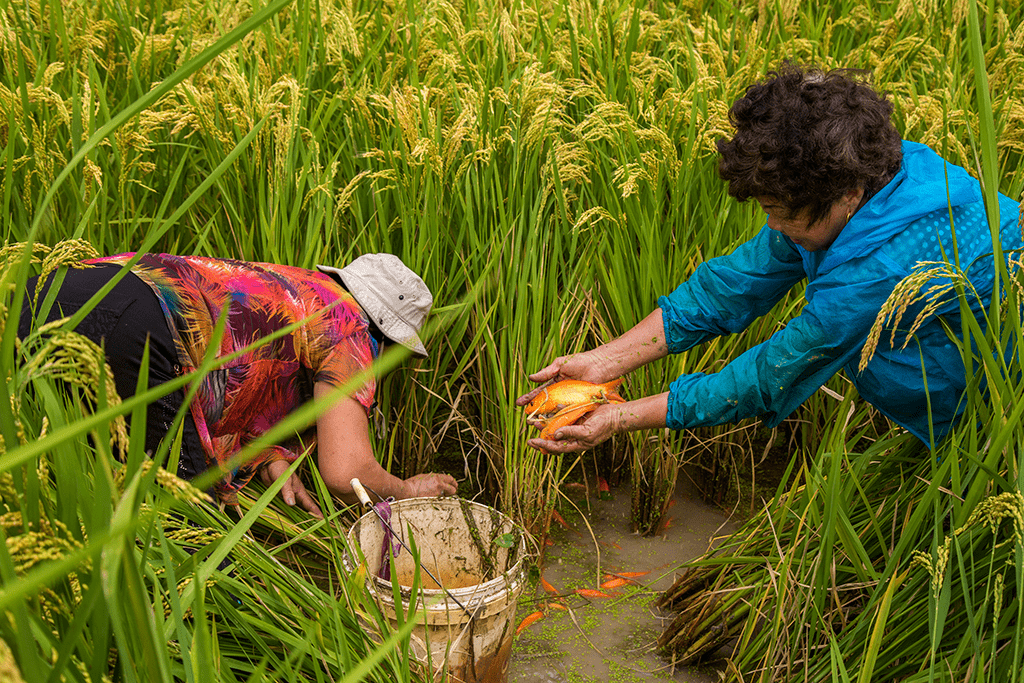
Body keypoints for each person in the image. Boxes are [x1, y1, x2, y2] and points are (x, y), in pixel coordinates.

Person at [517, 64, 1024, 454]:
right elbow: (730, 286)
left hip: (998, 402)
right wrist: (604, 362)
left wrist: (618, 418)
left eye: (782, 215)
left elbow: (770, 374)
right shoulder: (866, 170)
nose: (774, 228)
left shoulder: (886, 264)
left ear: (846, 194)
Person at [19, 252, 457, 518]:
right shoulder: (351, 326)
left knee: (73, 482)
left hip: (55, 293)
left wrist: (266, 456)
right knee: (193, 544)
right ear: (385, 337)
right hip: (143, 330)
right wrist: (407, 490)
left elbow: (236, 369)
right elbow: (346, 474)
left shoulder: (297, 290)